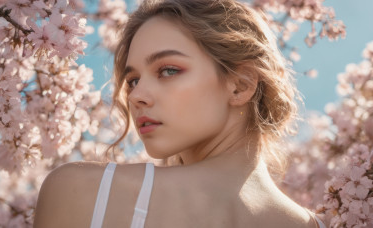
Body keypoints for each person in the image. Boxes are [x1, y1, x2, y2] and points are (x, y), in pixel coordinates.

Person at [33, 0, 326, 227]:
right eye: (133, 80)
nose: (135, 96)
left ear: (241, 85)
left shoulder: (84, 194)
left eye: (168, 70)